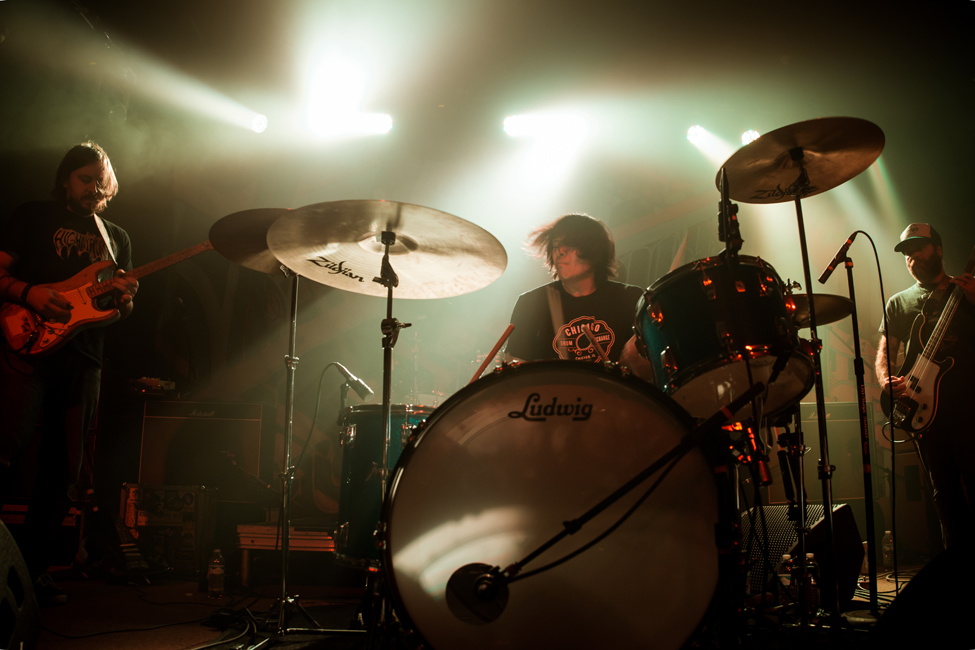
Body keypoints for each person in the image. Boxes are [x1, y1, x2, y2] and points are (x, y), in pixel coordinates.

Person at [0, 141, 139, 604]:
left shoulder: (115, 237)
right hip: (27, 346)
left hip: (84, 360)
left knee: (65, 474)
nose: (93, 187)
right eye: (84, 179)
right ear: (65, 180)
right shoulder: (33, 216)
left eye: (101, 180)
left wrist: (124, 300)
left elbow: (119, 312)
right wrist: (30, 294)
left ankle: (28, 572)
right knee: (6, 452)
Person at [875, 222, 975, 549]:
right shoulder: (899, 303)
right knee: (943, 490)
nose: (912, 257)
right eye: (907, 252)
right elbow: (885, 352)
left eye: (919, 248)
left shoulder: (967, 290)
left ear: (939, 250)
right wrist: (885, 379)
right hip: (925, 409)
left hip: (968, 404)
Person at [505, 212, 652, 378]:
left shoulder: (629, 297)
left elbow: (650, 363)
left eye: (570, 244)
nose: (560, 251)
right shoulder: (531, 303)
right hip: (551, 393)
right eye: (555, 245)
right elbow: (515, 369)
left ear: (595, 249)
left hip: (614, 391)